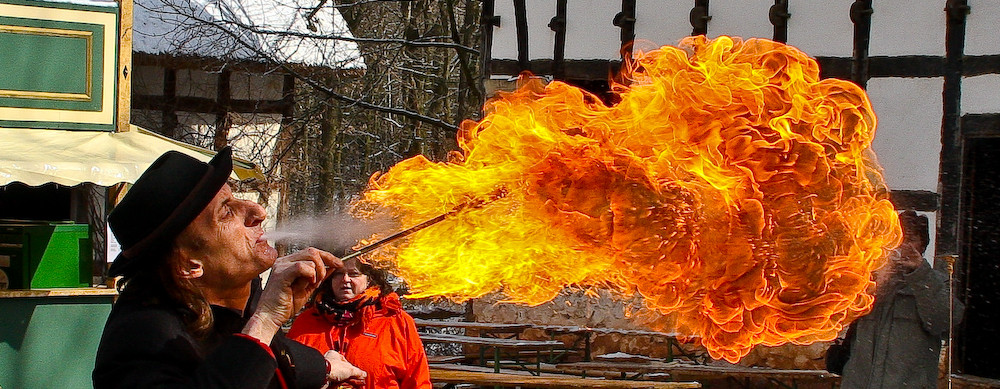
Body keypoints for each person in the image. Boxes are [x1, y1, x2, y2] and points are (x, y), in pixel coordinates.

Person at [93, 147, 367, 389]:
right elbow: (238, 362)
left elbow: (275, 356)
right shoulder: (141, 339)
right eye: (226, 211)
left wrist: (326, 368)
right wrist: (265, 320)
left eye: (234, 197)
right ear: (189, 264)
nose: (257, 210)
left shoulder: (232, 305)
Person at [838, 210, 965, 389]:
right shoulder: (869, 281)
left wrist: (920, 273)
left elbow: (944, 321)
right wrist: (875, 281)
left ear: (922, 246)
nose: (902, 245)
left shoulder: (936, 281)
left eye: (910, 239)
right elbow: (838, 317)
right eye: (896, 238)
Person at [288, 258, 431, 389]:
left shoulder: (397, 321)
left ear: (369, 279)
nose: (345, 279)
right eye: (338, 274)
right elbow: (286, 373)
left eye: (353, 274)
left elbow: (418, 380)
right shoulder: (307, 320)